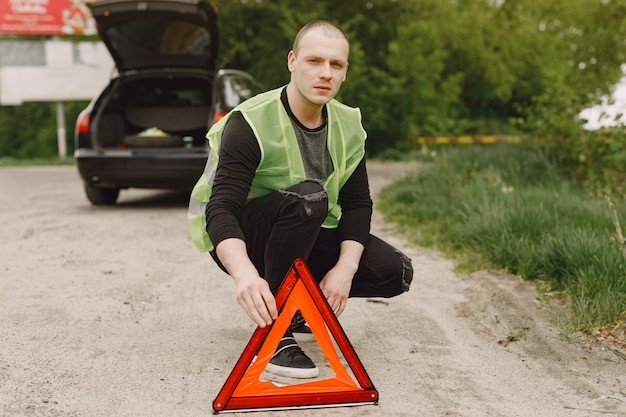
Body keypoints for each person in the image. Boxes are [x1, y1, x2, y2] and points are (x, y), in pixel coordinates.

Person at [188, 20, 413, 379]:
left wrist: (344, 270)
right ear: (292, 61)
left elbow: (357, 205)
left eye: (335, 65)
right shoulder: (251, 122)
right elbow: (222, 208)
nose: (325, 73)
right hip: (246, 238)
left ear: (345, 72)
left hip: (308, 225)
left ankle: (297, 309)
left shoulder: (348, 124)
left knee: (395, 272)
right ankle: (274, 335)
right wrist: (245, 275)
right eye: (314, 61)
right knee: (309, 197)